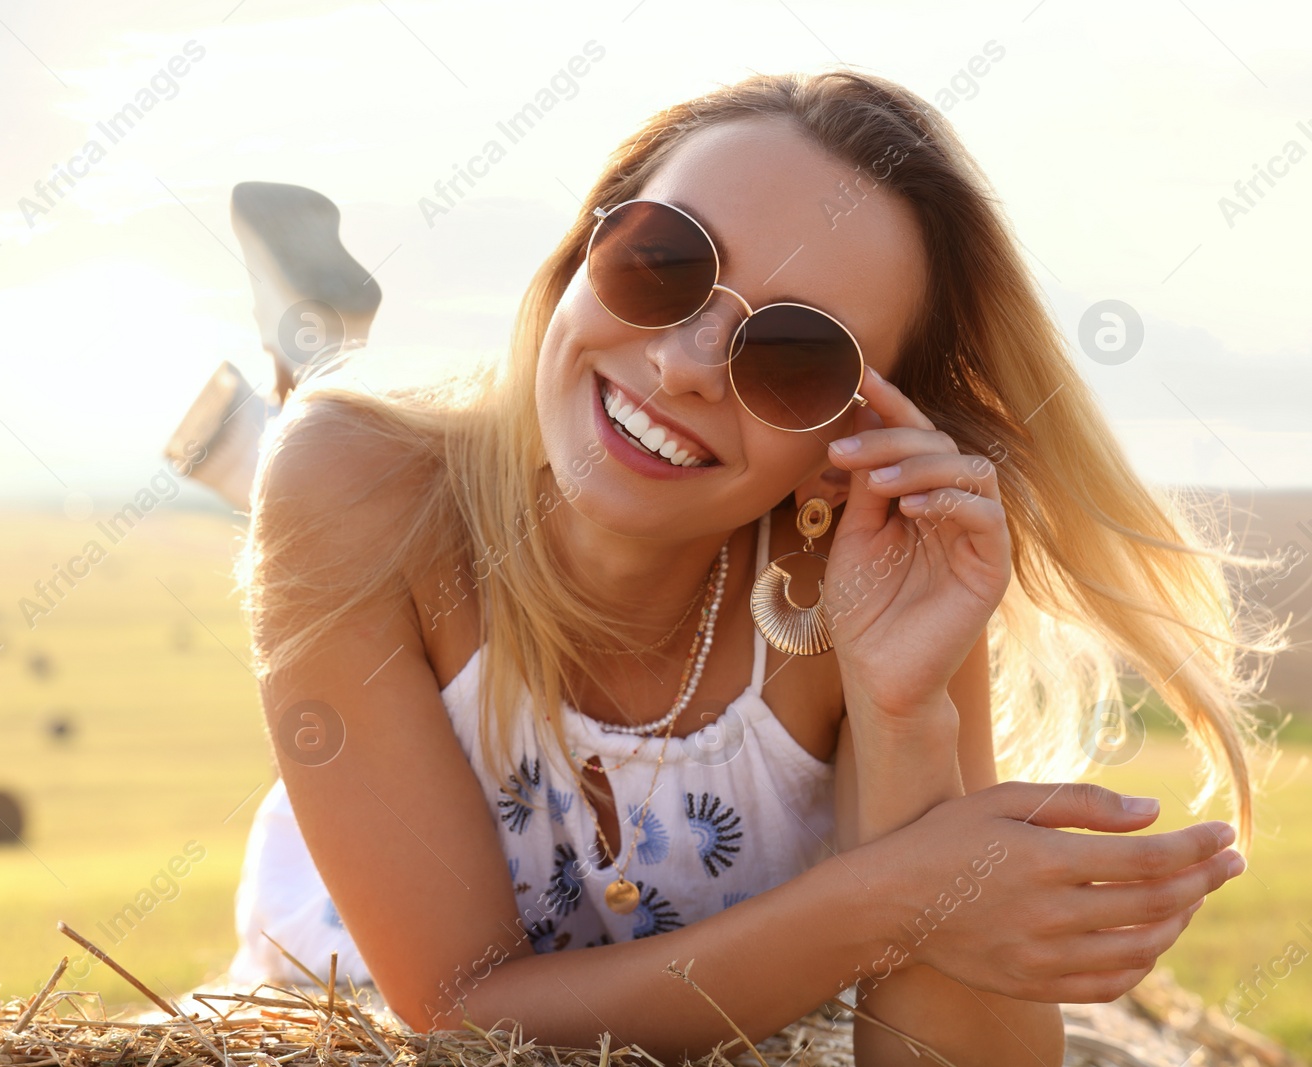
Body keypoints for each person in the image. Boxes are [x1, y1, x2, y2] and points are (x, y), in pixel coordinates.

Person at [194, 69, 1289, 1066]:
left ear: (855, 434)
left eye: (794, 354)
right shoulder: (351, 485)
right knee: (325, 451)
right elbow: (463, 1012)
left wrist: (902, 715)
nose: (679, 366)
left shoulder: (861, 579)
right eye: (660, 263)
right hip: (322, 973)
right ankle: (301, 373)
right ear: (581, 246)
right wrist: (903, 892)